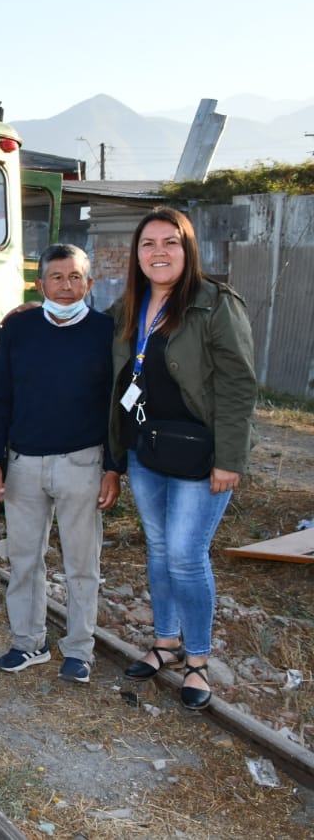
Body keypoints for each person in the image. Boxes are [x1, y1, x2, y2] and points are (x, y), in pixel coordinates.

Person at [110, 207, 256, 710]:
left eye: (170, 242)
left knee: (186, 557)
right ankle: (165, 644)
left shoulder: (214, 304)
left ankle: (197, 660)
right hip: (147, 451)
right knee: (157, 549)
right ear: (137, 254)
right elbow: (88, 334)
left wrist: (230, 458)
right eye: (148, 244)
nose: (158, 252)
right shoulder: (130, 303)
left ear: (188, 249)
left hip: (201, 455)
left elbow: (239, 385)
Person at [0, 245, 121, 683]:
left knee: (82, 562)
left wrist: (113, 466)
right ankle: (28, 643)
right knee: (24, 559)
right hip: (23, 463)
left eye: (75, 277)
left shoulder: (105, 332)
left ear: (89, 284)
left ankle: (79, 649)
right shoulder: (18, 330)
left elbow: (117, 405)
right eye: (56, 277)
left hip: (82, 461)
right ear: (39, 284)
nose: (66, 286)